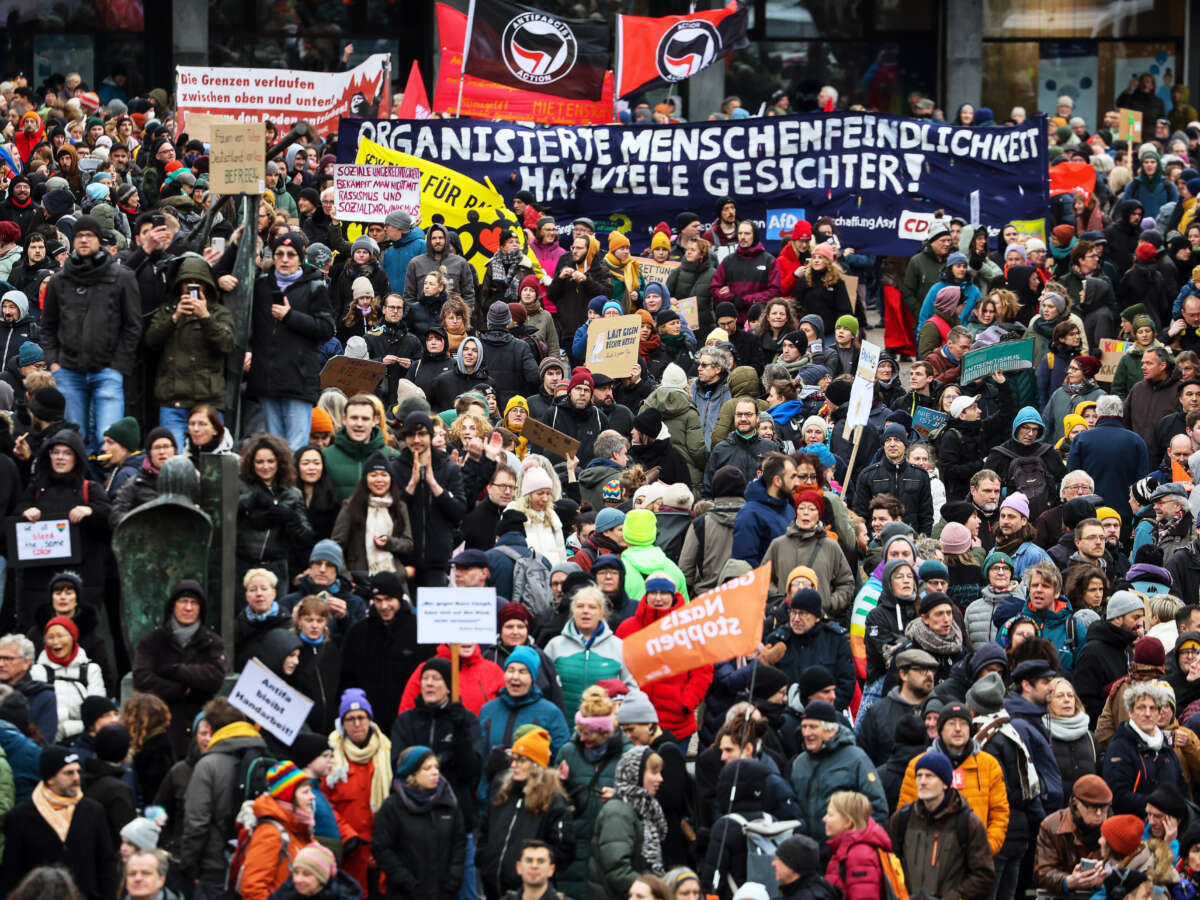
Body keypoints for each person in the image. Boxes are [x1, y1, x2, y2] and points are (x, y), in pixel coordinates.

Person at [40, 214, 142, 453]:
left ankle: (107, 478)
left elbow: (133, 326)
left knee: (108, 439)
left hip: (108, 370)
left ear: (99, 240)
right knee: (76, 439)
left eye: (89, 235)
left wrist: (118, 365)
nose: (84, 240)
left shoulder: (121, 277)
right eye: (79, 235)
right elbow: (48, 326)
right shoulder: (59, 280)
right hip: (68, 371)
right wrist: (54, 362)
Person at [248, 233, 336, 449]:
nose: (285, 259)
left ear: (300, 258)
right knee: (273, 446)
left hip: (299, 380)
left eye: (291, 254)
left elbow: (327, 329)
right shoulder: (261, 286)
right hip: (267, 379)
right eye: (279, 254)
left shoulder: (314, 287)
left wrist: (290, 317)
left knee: (296, 447)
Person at [142, 254, 236, 447]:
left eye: (198, 282)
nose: (193, 286)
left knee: (209, 455)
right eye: (187, 282)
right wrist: (174, 318)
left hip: (207, 401)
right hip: (172, 400)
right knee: (174, 456)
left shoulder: (219, 313)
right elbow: (151, 341)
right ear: (180, 284)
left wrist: (205, 317)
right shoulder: (168, 310)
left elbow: (226, 344)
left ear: (207, 285)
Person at [0, 746, 116, 900]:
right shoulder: (20, 817)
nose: (76, 778)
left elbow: (106, 865)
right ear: (50, 778)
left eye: (78, 771)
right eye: (69, 773)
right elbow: (11, 874)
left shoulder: (93, 811)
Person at [131, 579, 229, 758]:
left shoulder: (212, 642)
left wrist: (176, 670)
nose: (188, 608)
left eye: (194, 603)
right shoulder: (152, 641)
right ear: (173, 606)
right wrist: (181, 690)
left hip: (199, 726)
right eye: (183, 601)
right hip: (159, 728)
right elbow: (142, 678)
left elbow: (215, 677)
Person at [480, 729, 575, 900]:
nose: (513, 765)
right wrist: (484, 859)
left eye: (521, 760)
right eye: (513, 759)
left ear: (536, 765)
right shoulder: (501, 792)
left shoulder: (553, 802)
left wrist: (535, 872)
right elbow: (485, 832)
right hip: (492, 888)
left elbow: (563, 850)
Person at [888, 751, 995, 900]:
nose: (922, 781)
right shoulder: (902, 819)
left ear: (945, 783)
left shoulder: (967, 822)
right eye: (919, 776)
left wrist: (955, 896)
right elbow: (890, 865)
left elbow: (984, 874)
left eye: (929, 776)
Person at [372, 745, 467, 900]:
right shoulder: (393, 806)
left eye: (436, 767)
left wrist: (454, 878)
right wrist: (407, 882)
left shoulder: (448, 802)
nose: (435, 772)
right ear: (411, 773)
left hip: (444, 892)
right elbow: (382, 848)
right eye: (427, 768)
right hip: (406, 893)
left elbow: (459, 842)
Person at [789, 701, 888, 841]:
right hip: (808, 849)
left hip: (845, 848)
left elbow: (877, 808)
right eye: (804, 727)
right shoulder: (799, 763)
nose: (806, 733)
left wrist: (855, 843)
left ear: (831, 730)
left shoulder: (856, 759)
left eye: (813, 727)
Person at [393, 412, 467, 587]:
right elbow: (392, 513)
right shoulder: (395, 468)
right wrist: (411, 486)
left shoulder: (449, 469)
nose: (416, 440)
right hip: (403, 559)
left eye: (422, 434)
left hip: (437, 561)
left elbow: (458, 512)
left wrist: (434, 485)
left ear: (430, 436)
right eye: (411, 435)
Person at [236, 433, 314, 588]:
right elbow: (226, 515)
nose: (265, 467)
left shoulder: (293, 494)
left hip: (276, 568)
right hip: (243, 566)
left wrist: (291, 518)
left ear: (280, 462)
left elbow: (306, 536)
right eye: (260, 462)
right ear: (251, 463)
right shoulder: (240, 486)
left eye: (271, 461)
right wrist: (247, 501)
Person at [588, 746, 667, 900]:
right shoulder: (618, 813)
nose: (660, 779)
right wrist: (654, 891)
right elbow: (617, 870)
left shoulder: (643, 809)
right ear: (634, 774)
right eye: (654, 772)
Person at [1103, 680, 1186, 815]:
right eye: (1141, 708)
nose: (1147, 713)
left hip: (1170, 824)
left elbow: (1182, 791)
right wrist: (1160, 806)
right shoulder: (1119, 749)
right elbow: (1118, 797)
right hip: (1133, 824)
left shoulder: (1167, 749)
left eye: (1153, 708)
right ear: (1130, 712)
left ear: (1159, 713)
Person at [239, 761, 316, 900]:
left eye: (310, 791)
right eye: (305, 792)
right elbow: (252, 888)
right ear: (288, 798)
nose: (312, 796)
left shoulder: (298, 827)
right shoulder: (270, 833)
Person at [1033, 773, 1112, 898]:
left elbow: (1125, 866)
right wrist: (1068, 881)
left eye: (1104, 808)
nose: (1099, 814)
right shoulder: (1052, 826)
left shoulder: (1114, 827)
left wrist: (1106, 875)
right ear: (1076, 802)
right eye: (1092, 808)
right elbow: (1043, 872)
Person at [29, 615, 105, 742]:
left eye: (60, 636)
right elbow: (40, 714)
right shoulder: (37, 671)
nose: (55, 642)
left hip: (86, 737)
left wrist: (66, 728)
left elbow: (97, 712)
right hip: (50, 739)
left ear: (73, 637)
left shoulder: (91, 670)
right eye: (50, 637)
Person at [322, 394, 402, 500]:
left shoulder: (393, 457)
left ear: (375, 420)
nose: (359, 424)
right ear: (344, 419)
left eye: (365, 419)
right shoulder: (325, 458)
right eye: (354, 418)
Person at [823, 790, 894, 900]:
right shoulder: (847, 850)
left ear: (848, 822)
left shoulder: (859, 855)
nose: (824, 819)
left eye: (830, 815)